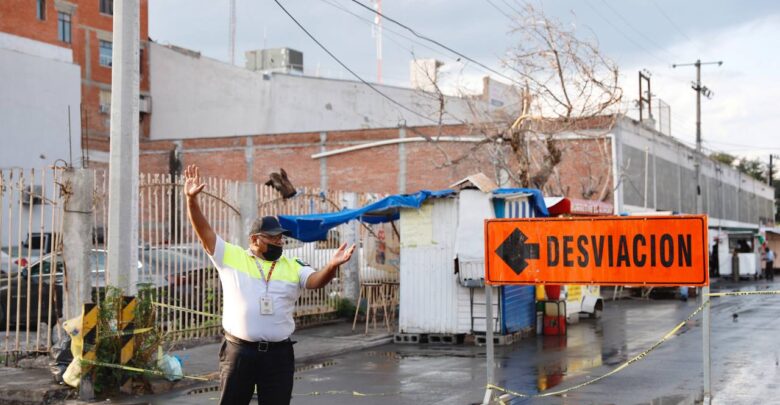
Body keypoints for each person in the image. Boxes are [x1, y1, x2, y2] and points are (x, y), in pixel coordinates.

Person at [183, 164, 355, 405]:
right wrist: (191, 200)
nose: (279, 241)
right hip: (239, 353)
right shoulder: (231, 257)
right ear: (255, 239)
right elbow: (204, 232)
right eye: (273, 237)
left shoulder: (292, 264)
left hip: (278, 356)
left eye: (280, 237)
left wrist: (331, 266)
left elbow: (315, 281)